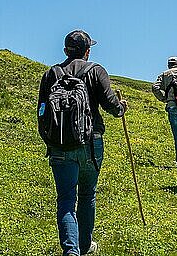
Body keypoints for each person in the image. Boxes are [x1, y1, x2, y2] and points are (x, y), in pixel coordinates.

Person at [38, 30, 127, 256]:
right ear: (87, 51)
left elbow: (41, 112)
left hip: (59, 145)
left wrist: (49, 140)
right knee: (87, 195)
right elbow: (111, 105)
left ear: (65, 50)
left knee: (66, 198)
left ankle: (71, 251)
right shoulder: (95, 71)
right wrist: (121, 107)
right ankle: (85, 245)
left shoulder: (51, 74)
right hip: (90, 143)